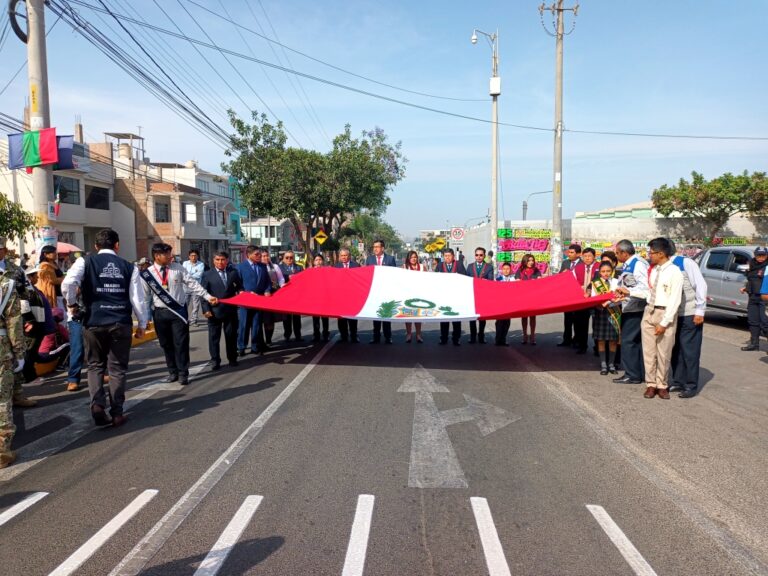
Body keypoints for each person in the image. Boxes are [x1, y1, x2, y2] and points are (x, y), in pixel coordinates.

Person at [61, 228, 148, 427]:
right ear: (117, 245)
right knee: (117, 370)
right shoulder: (129, 266)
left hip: (94, 322)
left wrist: (72, 304)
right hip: (120, 322)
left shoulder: (86, 261)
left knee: (95, 366)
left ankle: (97, 405)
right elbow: (137, 298)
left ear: (96, 246)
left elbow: (68, 284)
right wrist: (142, 323)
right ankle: (117, 412)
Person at [144, 243, 218, 385]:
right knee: (166, 344)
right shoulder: (148, 273)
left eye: (170, 253)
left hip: (178, 312)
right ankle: (172, 371)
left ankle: (183, 373)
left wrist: (208, 296)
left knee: (181, 343)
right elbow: (145, 298)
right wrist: (144, 319)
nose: (170, 256)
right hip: (159, 313)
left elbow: (193, 284)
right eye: (166, 254)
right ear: (157, 256)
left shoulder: (178, 268)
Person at [640, 238, 684, 400]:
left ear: (661, 253)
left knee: (664, 353)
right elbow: (650, 293)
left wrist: (664, 322)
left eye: (651, 253)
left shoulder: (675, 272)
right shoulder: (655, 270)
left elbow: (675, 300)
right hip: (649, 311)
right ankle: (650, 384)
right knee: (649, 352)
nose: (649, 255)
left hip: (665, 314)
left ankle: (662, 385)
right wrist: (629, 293)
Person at [0, 238, 36, 407]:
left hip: (15, 318)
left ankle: (18, 395)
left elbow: (26, 293)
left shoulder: (15, 270)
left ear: (5, 250)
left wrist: (29, 319)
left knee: (16, 357)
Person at [669, 249, 707, 398]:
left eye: (654, 252)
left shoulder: (685, 263)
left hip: (690, 313)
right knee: (676, 349)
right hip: (673, 314)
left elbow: (700, 285)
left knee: (689, 351)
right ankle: (678, 381)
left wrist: (700, 311)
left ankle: (691, 385)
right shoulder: (663, 267)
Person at [612, 239, 650, 385]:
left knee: (628, 341)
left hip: (636, 308)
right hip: (629, 305)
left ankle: (632, 374)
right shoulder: (630, 264)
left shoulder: (638, 264)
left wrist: (628, 292)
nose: (616, 256)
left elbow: (645, 288)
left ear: (624, 253)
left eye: (617, 253)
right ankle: (637, 372)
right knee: (635, 342)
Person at [0, 270, 26, 468]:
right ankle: (2, 452)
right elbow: (14, 323)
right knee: (2, 399)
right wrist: (19, 352)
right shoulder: (6, 285)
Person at [201, 251, 242, 370]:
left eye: (222, 260)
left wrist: (241, 292)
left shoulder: (233, 273)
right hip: (214, 311)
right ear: (214, 261)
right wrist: (206, 309)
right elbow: (203, 293)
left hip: (230, 310)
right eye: (217, 260)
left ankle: (232, 358)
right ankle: (215, 360)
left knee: (231, 336)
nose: (220, 262)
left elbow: (239, 286)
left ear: (227, 260)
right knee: (214, 337)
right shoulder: (207, 274)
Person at [21, 267, 55, 386]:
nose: (37, 278)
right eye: (35, 276)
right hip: (33, 326)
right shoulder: (26, 290)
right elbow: (24, 306)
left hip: (38, 324)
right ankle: (29, 377)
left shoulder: (32, 289)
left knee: (33, 351)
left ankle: (30, 375)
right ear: (29, 277)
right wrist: (30, 321)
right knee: (29, 352)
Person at [237, 245, 272, 356]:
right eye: (256, 254)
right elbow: (237, 284)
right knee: (244, 325)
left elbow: (267, 281)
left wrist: (267, 290)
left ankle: (255, 346)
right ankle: (241, 347)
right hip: (245, 301)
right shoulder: (240, 267)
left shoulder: (262, 266)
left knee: (256, 325)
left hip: (259, 300)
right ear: (248, 255)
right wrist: (243, 292)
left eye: (260, 254)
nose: (259, 256)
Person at [591, 261, 621, 375]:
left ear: (612, 271)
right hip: (601, 312)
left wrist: (613, 301)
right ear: (600, 272)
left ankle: (611, 365)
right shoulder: (595, 283)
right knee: (601, 340)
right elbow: (593, 299)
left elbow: (620, 296)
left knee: (613, 340)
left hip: (614, 312)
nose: (606, 273)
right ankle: (603, 365)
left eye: (608, 271)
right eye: (603, 271)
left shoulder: (616, 282)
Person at [365, 239, 397, 344]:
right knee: (376, 314)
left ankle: (388, 337)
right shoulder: (369, 260)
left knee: (386, 314)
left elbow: (394, 275)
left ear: (382, 248)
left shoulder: (390, 259)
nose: (375, 249)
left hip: (386, 292)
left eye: (377, 247)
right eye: (374, 247)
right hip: (374, 292)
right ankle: (376, 337)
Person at [435, 248, 466, 345]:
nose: (447, 258)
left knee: (456, 318)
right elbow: (435, 279)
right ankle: (443, 337)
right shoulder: (440, 265)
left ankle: (456, 338)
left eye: (449, 256)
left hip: (456, 296)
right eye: (445, 256)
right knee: (444, 318)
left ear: (453, 256)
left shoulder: (459, 265)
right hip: (443, 296)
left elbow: (464, 278)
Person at [740, 246, 768, 351]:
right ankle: (754, 344)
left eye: (763, 255)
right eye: (758, 255)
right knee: (753, 321)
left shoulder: (767, 267)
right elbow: (751, 279)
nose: (760, 257)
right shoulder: (752, 264)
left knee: (765, 323)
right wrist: (746, 288)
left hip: (764, 299)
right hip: (753, 297)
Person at [571, 247, 597, 354]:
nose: (587, 258)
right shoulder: (578, 268)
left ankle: (597, 348)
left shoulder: (599, 267)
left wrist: (590, 291)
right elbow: (572, 282)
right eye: (585, 256)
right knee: (581, 324)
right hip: (582, 300)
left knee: (596, 325)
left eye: (589, 256)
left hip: (595, 300)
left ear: (594, 257)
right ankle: (582, 346)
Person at [466, 247, 494, 344]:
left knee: (482, 317)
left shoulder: (489, 267)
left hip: (483, 295)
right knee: (472, 317)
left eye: (481, 255)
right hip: (472, 295)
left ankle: (481, 335)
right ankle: (472, 336)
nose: (478, 257)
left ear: (484, 256)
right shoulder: (469, 266)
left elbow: (490, 280)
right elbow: (466, 280)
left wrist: (480, 282)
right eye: (477, 255)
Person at [558, 244, 582, 347]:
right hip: (567, 296)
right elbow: (559, 277)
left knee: (577, 320)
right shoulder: (565, 263)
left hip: (578, 295)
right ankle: (566, 340)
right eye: (569, 252)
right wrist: (563, 274)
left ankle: (577, 340)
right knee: (567, 319)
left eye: (572, 252)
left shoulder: (582, 264)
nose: (569, 254)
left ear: (578, 254)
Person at [515, 253, 542, 344]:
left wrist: (535, 283)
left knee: (533, 317)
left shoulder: (536, 270)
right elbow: (518, 284)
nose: (531, 262)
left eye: (532, 260)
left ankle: (533, 336)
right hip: (523, 297)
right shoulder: (519, 271)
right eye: (529, 260)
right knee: (524, 317)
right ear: (525, 261)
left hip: (534, 297)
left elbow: (540, 282)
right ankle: (525, 335)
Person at [260, 249, 285, 347]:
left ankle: (268, 339)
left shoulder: (274, 267)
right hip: (261, 295)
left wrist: (282, 286)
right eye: (263, 256)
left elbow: (281, 278)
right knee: (261, 320)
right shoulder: (259, 267)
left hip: (272, 294)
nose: (265, 257)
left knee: (270, 319)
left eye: (267, 255)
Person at [335, 248, 359, 343]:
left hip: (353, 296)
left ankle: (354, 335)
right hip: (340, 297)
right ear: (339, 257)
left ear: (349, 256)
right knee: (341, 318)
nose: (344, 257)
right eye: (342, 255)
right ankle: (343, 336)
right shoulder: (336, 266)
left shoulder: (355, 265)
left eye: (345, 255)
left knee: (353, 317)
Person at [279, 250, 304, 342]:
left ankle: (298, 335)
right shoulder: (280, 268)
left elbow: (303, 280)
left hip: (296, 296)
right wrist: (287, 278)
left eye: (291, 257)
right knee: (286, 318)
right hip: (285, 296)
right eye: (287, 257)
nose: (289, 259)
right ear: (283, 258)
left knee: (297, 317)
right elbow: (278, 280)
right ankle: (287, 335)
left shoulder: (299, 267)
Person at [403, 250, 426, 343]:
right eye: (412, 257)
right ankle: (409, 334)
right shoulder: (405, 267)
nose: (414, 259)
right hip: (408, 295)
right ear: (409, 258)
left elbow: (427, 279)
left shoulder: (421, 267)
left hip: (419, 294)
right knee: (408, 315)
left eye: (415, 257)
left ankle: (418, 334)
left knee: (418, 315)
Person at [182, 250, 206, 326]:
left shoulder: (201, 264)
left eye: (195, 255)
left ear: (197, 256)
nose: (193, 257)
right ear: (189, 256)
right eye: (191, 255)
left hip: (196, 287)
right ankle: (184, 319)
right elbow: (183, 274)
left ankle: (194, 320)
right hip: (185, 287)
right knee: (184, 304)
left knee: (195, 305)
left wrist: (188, 275)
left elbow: (199, 275)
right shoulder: (185, 263)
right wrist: (190, 275)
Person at [495, 261, 515, 346]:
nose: (506, 270)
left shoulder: (513, 279)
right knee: (499, 322)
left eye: (508, 269)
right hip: (500, 303)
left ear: (510, 270)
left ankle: (503, 339)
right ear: (501, 270)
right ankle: (497, 339)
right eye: (504, 269)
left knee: (507, 322)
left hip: (509, 304)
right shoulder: (498, 279)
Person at [311, 254, 330, 342]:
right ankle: (316, 335)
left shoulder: (327, 271)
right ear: (314, 262)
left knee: (325, 318)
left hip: (324, 298)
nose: (318, 261)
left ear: (322, 261)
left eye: (320, 259)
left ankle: (326, 334)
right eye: (316, 260)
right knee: (315, 318)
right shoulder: (310, 272)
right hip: (314, 299)